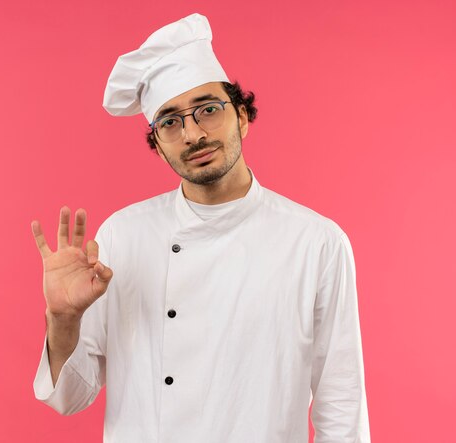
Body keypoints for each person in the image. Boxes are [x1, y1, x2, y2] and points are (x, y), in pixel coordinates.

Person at [31, 13, 371, 443]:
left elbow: (341, 407)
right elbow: (71, 397)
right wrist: (62, 319)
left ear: (242, 116)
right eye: (170, 122)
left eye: (208, 110)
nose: (192, 134)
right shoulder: (122, 236)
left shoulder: (317, 244)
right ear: (157, 146)